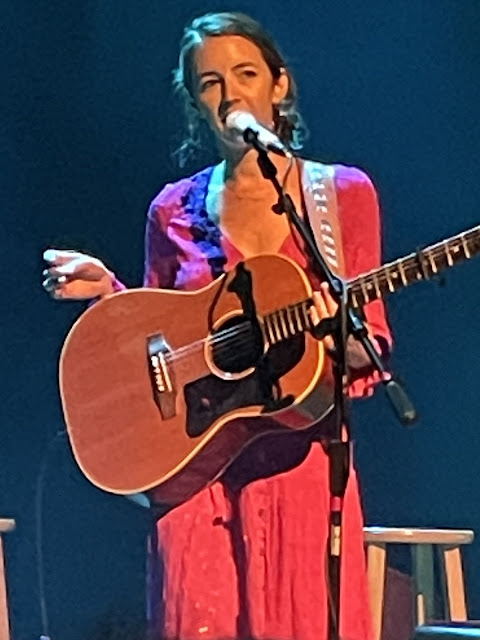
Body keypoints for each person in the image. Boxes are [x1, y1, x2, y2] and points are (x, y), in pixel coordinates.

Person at [43, 11, 392, 640]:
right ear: (195, 104)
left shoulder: (339, 196)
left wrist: (335, 334)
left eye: (246, 73)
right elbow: (167, 335)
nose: (230, 95)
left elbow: (369, 349)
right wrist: (109, 294)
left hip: (298, 468)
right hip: (197, 475)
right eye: (209, 83)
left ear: (279, 86)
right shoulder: (172, 209)